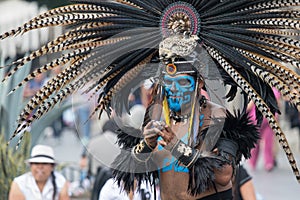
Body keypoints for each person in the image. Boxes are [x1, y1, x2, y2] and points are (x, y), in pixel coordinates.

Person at [2, 0, 300, 196]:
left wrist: (174, 145)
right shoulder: (156, 116)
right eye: (167, 83)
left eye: (182, 83)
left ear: (198, 86)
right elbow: (127, 174)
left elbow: (222, 176)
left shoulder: (217, 119)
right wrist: (143, 145)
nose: (173, 90)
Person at [248, 88, 281, 172]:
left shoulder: (256, 88)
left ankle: (253, 162)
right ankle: (268, 163)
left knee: (255, 142)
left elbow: (250, 104)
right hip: (270, 118)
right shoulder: (275, 90)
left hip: (256, 118)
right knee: (268, 142)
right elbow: (278, 105)